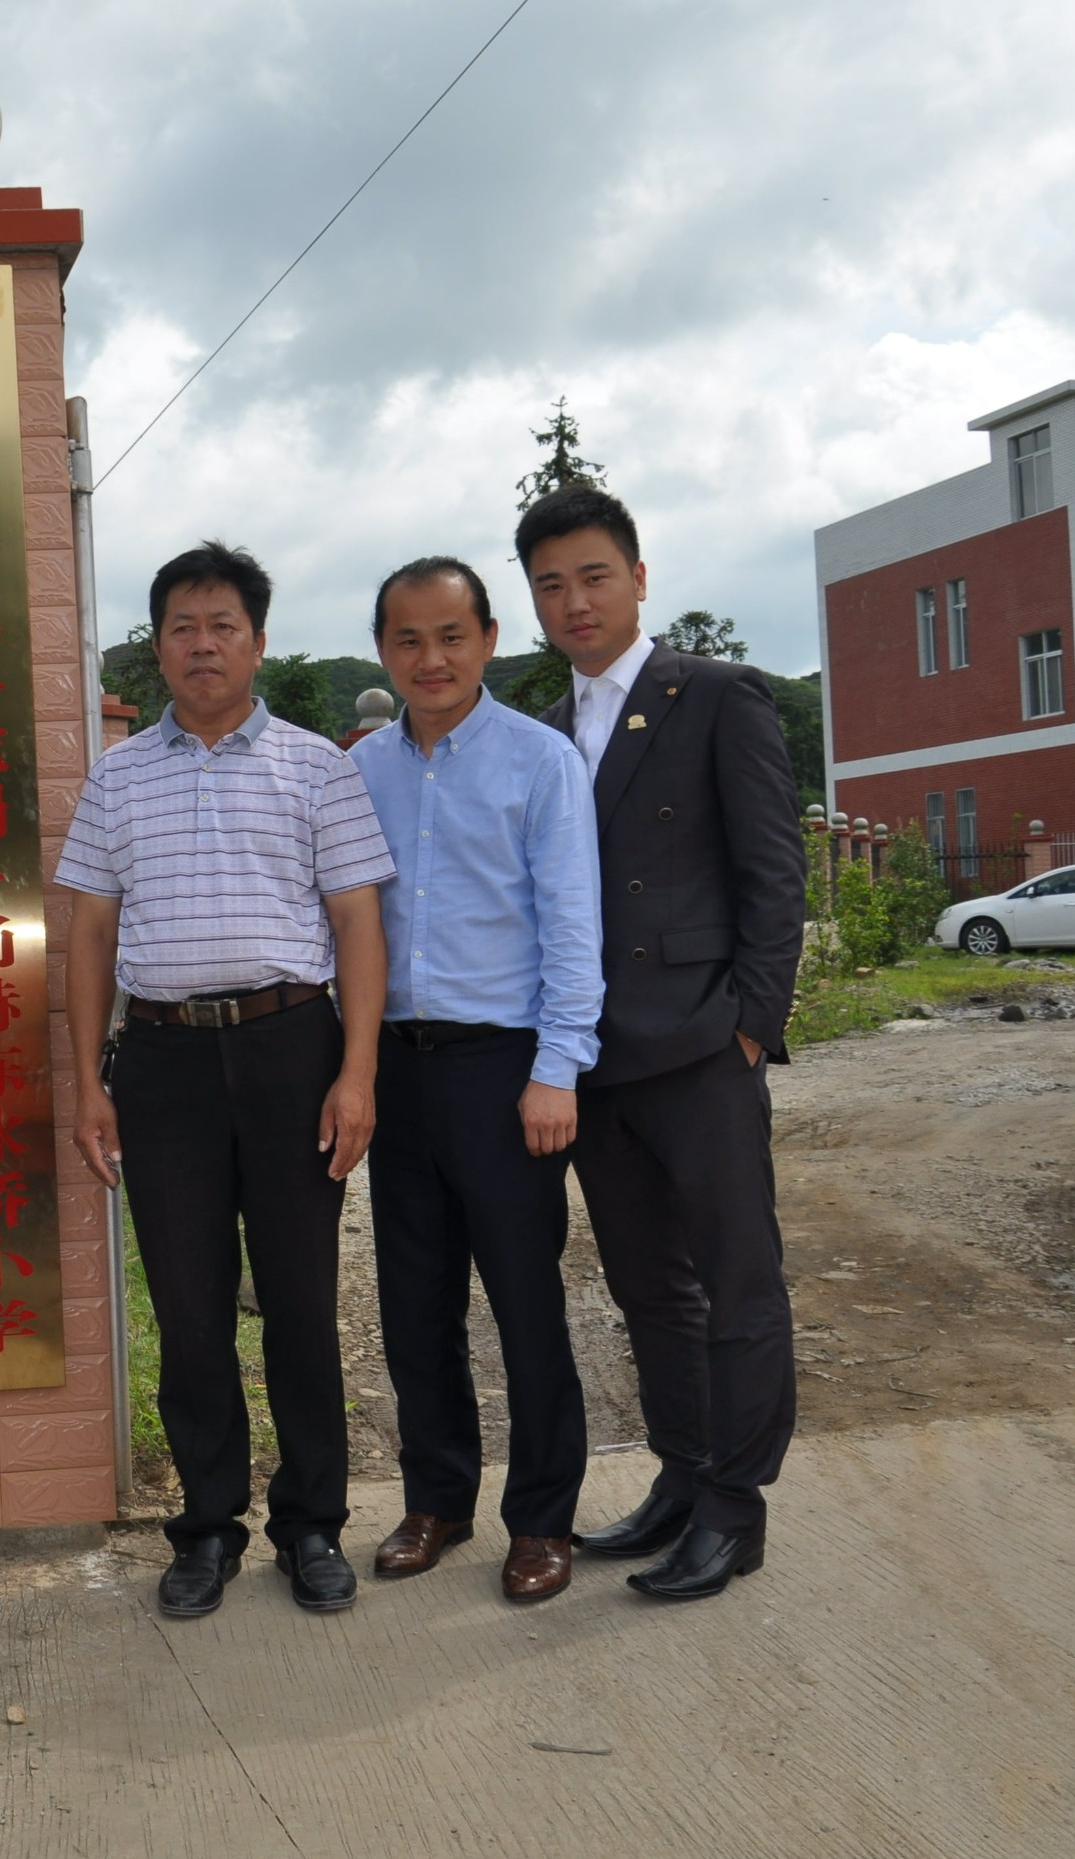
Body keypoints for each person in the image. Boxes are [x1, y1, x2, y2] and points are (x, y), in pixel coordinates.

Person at [60, 540, 395, 1620]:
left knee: (299, 1301)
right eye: (180, 627)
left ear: (257, 640)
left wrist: (356, 1073)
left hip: (291, 1046)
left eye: (222, 626)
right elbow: (89, 937)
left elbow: (357, 925)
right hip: (159, 1062)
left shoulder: (315, 764)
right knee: (190, 1305)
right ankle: (205, 1526)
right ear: (155, 643)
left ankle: (310, 1524)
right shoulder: (115, 774)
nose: (201, 645)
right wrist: (87, 1079)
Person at [519, 485, 807, 1601]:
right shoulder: (544, 733)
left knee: (738, 1282)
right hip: (597, 1059)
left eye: (594, 574)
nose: (575, 599)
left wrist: (750, 1024)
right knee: (649, 1289)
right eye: (551, 583)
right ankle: (683, 1479)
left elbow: (772, 872)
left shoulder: (717, 695)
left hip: (698, 1045)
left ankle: (736, 1509)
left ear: (638, 578)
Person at [348, 557, 601, 1604]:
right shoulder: (358, 767)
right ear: (383, 652)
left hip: (503, 1070)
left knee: (526, 1301)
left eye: (450, 635)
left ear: (488, 640)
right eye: (407, 640)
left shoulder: (541, 762)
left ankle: (542, 1517)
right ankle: (437, 1496)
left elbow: (573, 928)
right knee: (412, 1301)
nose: (430, 658)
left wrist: (556, 1070)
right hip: (395, 1068)